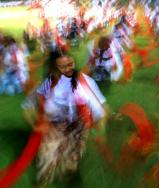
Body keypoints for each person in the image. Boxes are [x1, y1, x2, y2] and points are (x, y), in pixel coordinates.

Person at [34, 50, 107, 186]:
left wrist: (99, 132)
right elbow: (42, 106)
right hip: (56, 124)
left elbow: (99, 112)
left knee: (69, 165)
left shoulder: (84, 83)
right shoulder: (48, 83)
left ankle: (71, 169)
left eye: (69, 65)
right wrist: (43, 120)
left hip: (78, 125)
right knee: (47, 158)